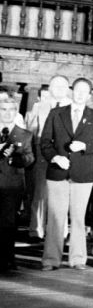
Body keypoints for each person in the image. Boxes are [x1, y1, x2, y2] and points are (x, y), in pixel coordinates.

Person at [40, 78, 93, 270]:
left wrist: (86, 146)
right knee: (55, 218)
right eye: (77, 90)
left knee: (78, 218)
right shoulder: (56, 114)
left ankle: (78, 259)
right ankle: (51, 260)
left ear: (89, 95)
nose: (80, 94)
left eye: (84, 92)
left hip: (83, 174)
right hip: (57, 173)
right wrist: (55, 158)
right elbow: (45, 142)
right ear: (72, 92)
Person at [26, 75, 72, 240]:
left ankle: (61, 230)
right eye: (55, 86)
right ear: (50, 89)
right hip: (42, 154)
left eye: (62, 86)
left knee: (62, 193)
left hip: (65, 154)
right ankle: (36, 229)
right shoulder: (40, 106)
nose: (58, 90)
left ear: (68, 89)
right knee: (40, 192)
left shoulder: (74, 106)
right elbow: (31, 131)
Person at [0, 97, 33, 271]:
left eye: (11, 109)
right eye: (3, 109)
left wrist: (15, 158)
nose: (7, 113)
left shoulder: (24, 135)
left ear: (16, 112)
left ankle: (8, 259)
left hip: (12, 185)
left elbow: (29, 158)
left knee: (8, 224)